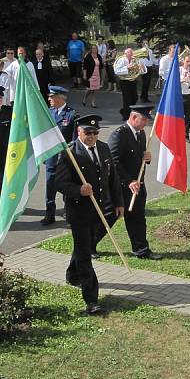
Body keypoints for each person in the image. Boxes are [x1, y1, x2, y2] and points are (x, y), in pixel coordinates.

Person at [55, 114, 124, 315]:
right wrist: (78, 190)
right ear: (79, 132)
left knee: (83, 245)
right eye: (88, 132)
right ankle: (91, 299)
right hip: (78, 212)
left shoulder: (103, 148)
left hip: (99, 209)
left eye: (95, 132)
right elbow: (59, 182)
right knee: (85, 253)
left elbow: (112, 177)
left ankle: (71, 274)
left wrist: (118, 202)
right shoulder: (69, 153)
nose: (92, 136)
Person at [108, 104, 162, 260]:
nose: (146, 123)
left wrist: (147, 158)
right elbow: (113, 162)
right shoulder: (119, 135)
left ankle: (141, 249)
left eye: (146, 120)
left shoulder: (141, 133)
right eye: (143, 119)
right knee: (109, 217)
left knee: (138, 218)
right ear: (133, 117)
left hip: (137, 186)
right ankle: (89, 245)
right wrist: (128, 181)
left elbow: (138, 156)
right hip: (121, 187)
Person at [42, 85, 77, 225]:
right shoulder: (48, 113)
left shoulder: (72, 114)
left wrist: (66, 150)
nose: (49, 99)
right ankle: (49, 215)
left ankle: (69, 214)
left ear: (59, 98)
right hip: (51, 157)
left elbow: (75, 139)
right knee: (50, 186)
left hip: (64, 159)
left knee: (66, 188)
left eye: (51, 97)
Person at [114, 48, 146, 121]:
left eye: (132, 53)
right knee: (127, 99)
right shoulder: (121, 60)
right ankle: (126, 116)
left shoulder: (135, 60)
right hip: (124, 81)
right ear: (125, 54)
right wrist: (127, 67)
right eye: (129, 53)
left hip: (133, 80)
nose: (131, 54)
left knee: (135, 98)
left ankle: (124, 110)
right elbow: (117, 71)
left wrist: (142, 68)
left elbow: (142, 71)